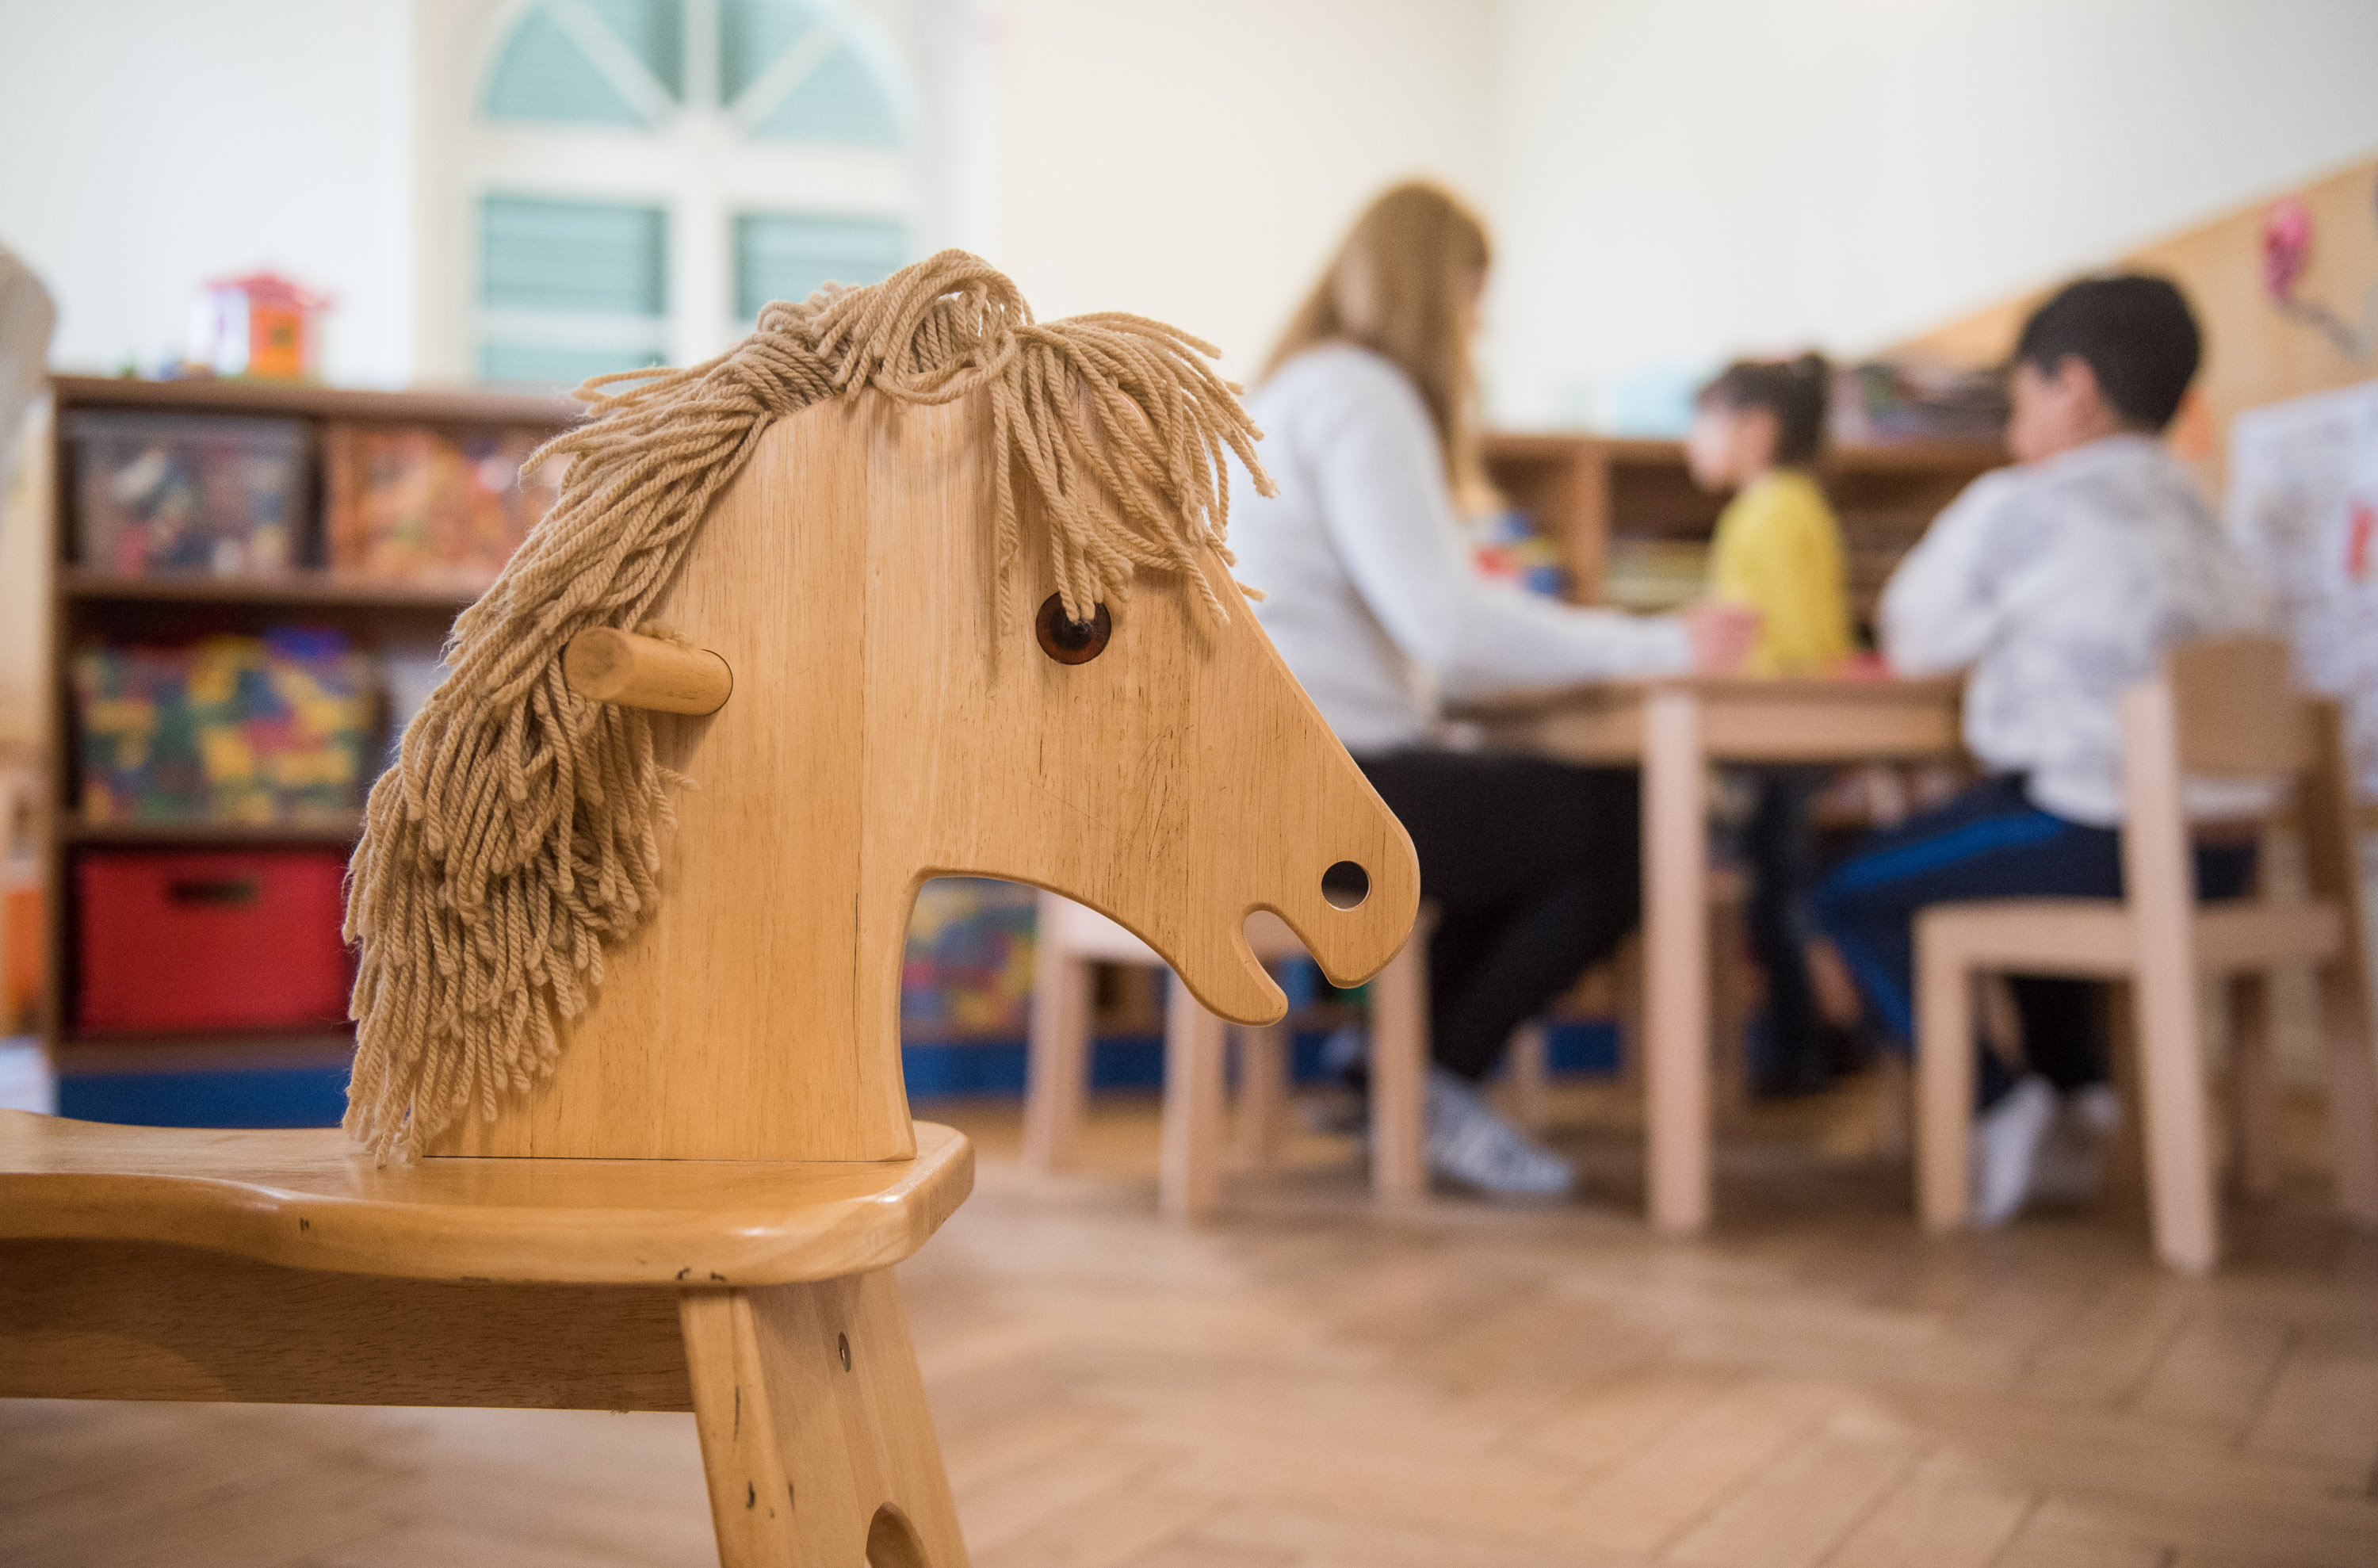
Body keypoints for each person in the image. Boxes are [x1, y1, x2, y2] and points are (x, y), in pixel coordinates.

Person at [1228, 182, 1758, 1199]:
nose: (1479, 325)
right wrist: (1656, 642)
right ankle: (1431, 1076)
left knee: (1537, 817)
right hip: (1328, 787)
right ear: (1434, 288)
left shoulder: (1290, 391)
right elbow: (1452, 628)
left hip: (1265, 781)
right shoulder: (1361, 393)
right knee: (1642, 813)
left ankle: (1391, 1067)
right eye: (1475, 296)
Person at [1810, 273, 2274, 1226]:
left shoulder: (2022, 502)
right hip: (2230, 853)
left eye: (2018, 394)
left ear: (2072, 387)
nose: (2013, 420)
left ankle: (1996, 1099)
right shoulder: (2207, 513)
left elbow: (1913, 635)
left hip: (2106, 838)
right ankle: (2077, 1091)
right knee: (2006, 842)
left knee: (1847, 889)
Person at [1684, 354, 1855, 1096]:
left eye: (1705, 422)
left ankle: (1808, 1045)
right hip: (1788, 728)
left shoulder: (1770, 510)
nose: (1694, 442)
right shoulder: (1789, 503)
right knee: (1779, 889)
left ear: (1757, 430)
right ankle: (1808, 1040)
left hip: (1779, 730)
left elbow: (1781, 636)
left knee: (1780, 895)